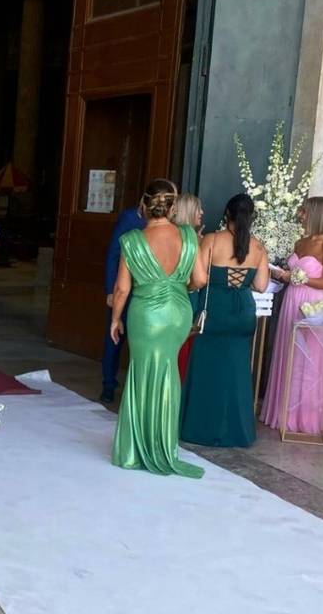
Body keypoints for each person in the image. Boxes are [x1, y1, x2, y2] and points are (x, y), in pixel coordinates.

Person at [110, 178, 207, 478]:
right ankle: (163, 444)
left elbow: (122, 289)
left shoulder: (132, 240)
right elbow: (201, 280)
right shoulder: (189, 236)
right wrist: (180, 288)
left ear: (144, 204)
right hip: (178, 311)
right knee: (168, 372)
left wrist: (115, 319)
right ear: (173, 206)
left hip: (146, 315)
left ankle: (135, 450)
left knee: (141, 374)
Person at [180, 194, 270, 447]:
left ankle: (201, 429)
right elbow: (261, 285)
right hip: (242, 313)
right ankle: (236, 432)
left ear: (226, 214)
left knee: (206, 370)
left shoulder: (211, 239)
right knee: (236, 373)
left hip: (214, 313)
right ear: (250, 218)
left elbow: (197, 277)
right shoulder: (259, 246)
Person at [260, 197, 323, 433]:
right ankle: (281, 412)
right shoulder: (299, 242)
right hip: (291, 301)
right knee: (287, 352)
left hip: (311, 306)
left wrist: (300, 278)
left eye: (304, 211)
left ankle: (303, 417)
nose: (300, 214)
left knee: (308, 359)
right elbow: (292, 273)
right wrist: (283, 275)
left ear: (316, 214)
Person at [100, 202, 146, 403]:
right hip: (125, 288)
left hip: (148, 293)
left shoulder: (170, 223)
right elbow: (114, 253)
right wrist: (111, 289)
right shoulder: (130, 218)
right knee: (115, 337)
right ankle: (108, 385)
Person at [172, 193, 204, 382]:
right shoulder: (189, 238)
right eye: (198, 208)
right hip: (185, 297)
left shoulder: (172, 234)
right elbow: (199, 279)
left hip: (170, 297)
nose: (202, 212)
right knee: (183, 349)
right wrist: (190, 288)